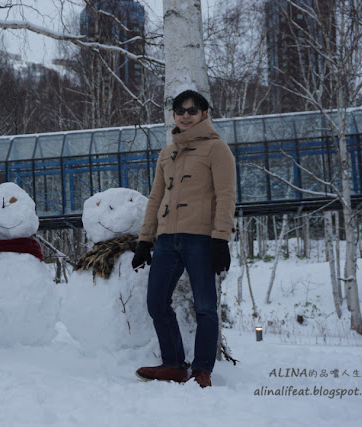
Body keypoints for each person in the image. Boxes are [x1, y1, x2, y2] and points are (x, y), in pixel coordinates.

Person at [132, 90, 236, 387]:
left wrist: (221, 238)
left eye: (193, 110)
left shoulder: (217, 149)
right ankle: (174, 365)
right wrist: (144, 241)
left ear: (205, 113)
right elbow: (155, 197)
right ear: (174, 114)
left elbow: (226, 195)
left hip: (201, 239)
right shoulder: (167, 153)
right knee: (156, 302)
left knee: (205, 305)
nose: (186, 115)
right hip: (166, 240)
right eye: (180, 110)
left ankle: (202, 369)